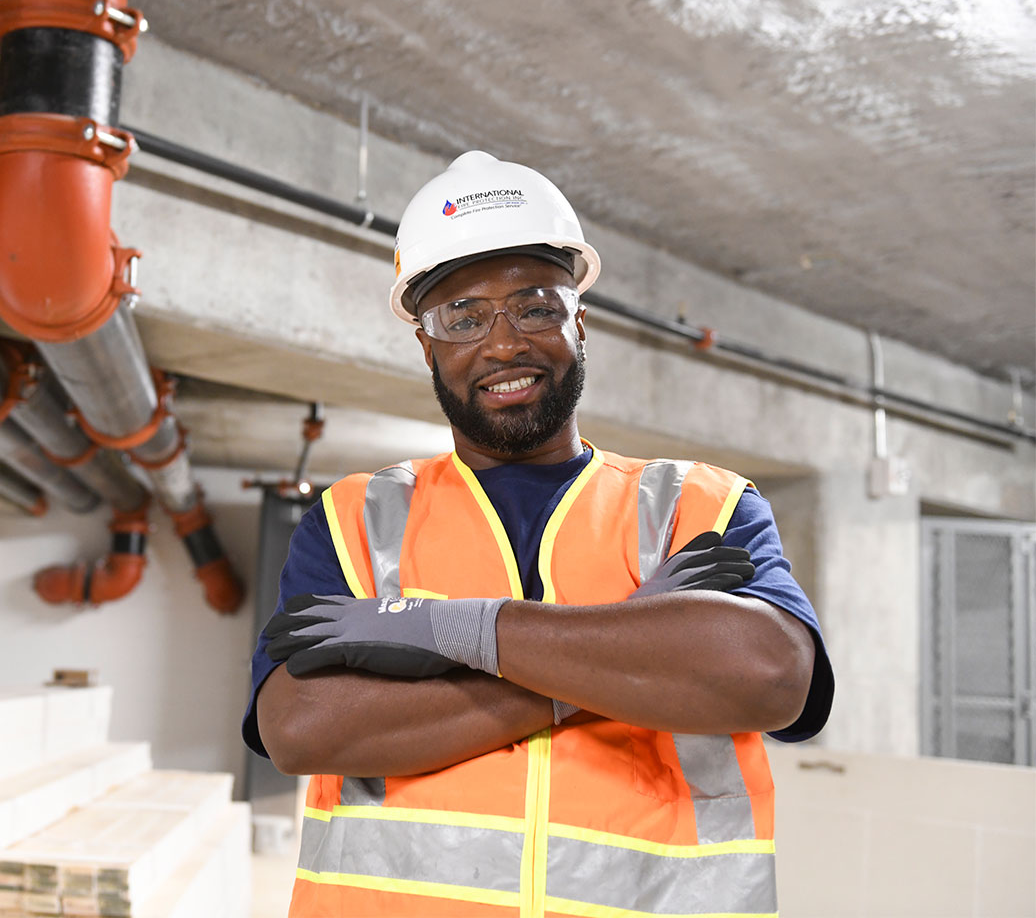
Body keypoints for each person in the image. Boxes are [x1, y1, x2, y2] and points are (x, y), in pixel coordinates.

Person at [244, 151, 834, 918]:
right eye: (462, 317)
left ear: (578, 321)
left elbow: (771, 679)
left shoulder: (702, 506)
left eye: (535, 306)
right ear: (426, 344)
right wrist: (632, 649)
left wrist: (446, 629)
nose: (503, 344)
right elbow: (301, 728)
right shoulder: (355, 519)